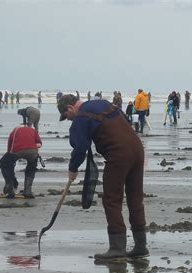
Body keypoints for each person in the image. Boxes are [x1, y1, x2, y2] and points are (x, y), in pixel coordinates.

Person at [57, 94, 148, 261]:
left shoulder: (81, 117)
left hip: (118, 153)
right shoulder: (104, 103)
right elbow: (126, 120)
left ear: (70, 108)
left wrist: (73, 168)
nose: (69, 120)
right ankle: (141, 246)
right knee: (135, 198)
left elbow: (80, 147)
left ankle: (117, 248)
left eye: (66, 116)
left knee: (111, 199)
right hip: (137, 148)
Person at [0, 121, 42, 199]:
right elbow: (40, 144)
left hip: (17, 150)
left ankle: (9, 187)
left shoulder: (14, 131)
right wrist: (31, 147)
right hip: (33, 151)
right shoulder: (32, 130)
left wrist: (10, 159)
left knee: (3, 163)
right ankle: (28, 191)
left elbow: (9, 147)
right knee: (31, 169)